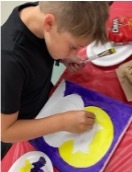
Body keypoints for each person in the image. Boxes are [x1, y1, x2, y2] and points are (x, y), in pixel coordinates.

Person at [1, 1, 109, 159]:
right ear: (49, 23)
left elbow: (41, 48)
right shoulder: (9, 61)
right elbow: (5, 133)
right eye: (73, 46)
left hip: (43, 102)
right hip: (18, 136)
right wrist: (62, 122)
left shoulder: (42, 14)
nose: (76, 52)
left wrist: (65, 57)